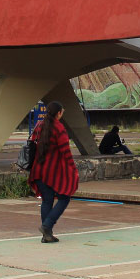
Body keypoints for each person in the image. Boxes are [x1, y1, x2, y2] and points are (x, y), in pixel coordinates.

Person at [28, 101, 78, 243]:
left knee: (47, 201)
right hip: (53, 172)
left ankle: (47, 235)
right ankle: (47, 226)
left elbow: (32, 143)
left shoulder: (39, 125)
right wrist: (73, 170)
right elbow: (66, 152)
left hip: (38, 170)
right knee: (64, 197)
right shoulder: (59, 128)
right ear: (59, 113)